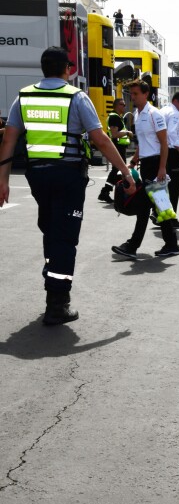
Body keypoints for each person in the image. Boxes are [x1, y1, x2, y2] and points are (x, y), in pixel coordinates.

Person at [0, 46, 135, 324]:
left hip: (37, 175)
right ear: (68, 69)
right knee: (65, 237)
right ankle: (57, 303)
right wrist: (125, 171)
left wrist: (3, 180)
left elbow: (9, 139)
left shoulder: (24, 97)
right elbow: (100, 139)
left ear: (43, 68)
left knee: (50, 230)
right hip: (68, 176)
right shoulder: (76, 97)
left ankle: (52, 278)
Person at [111, 79, 179, 259]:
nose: (132, 97)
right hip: (146, 165)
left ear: (146, 94)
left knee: (149, 207)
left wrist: (162, 168)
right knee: (160, 207)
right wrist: (133, 161)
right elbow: (143, 143)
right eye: (131, 94)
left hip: (156, 164)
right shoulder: (137, 114)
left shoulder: (154, 114)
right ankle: (171, 244)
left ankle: (133, 246)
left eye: (135, 94)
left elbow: (164, 143)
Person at [159, 91, 179, 229]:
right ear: (176, 101)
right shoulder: (174, 113)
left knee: (163, 187)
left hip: (162, 151)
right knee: (174, 187)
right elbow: (172, 133)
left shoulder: (163, 110)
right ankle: (171, 219)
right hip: (173, 153)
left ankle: (162, 216)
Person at [97, 98, 132, 203]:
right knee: (119, 169)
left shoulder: (118, 117)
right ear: (117, 105)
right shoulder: (114, 117)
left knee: (118, 169)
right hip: (117, 147)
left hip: (119, 147)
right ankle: (109, 191)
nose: (124, 106)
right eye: (122, 104)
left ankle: (107, 191)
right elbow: (114, 134)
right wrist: (127, 132)